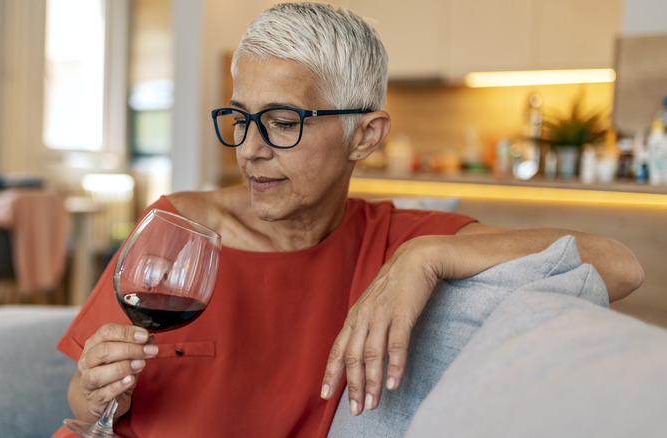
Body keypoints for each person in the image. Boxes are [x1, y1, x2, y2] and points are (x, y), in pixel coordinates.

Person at [53, 3, 644, 437]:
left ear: (365, 134)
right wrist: (97, 387)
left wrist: (424, 257)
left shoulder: (399, 241)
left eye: (283, 121)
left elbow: (621, 266)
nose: (251, 149)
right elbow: (83, 408)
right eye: (240, 118)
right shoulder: (176, 226)